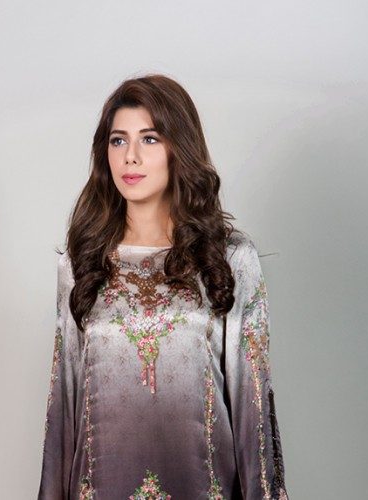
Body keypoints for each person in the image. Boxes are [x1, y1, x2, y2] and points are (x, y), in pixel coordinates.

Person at [37, 74, 289, 500]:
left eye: (150, 139)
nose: (130, 157)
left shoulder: (228, 260)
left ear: (179, 149)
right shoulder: (81, 265)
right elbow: (62, 408)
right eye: (118, 141)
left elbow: (253, 412)